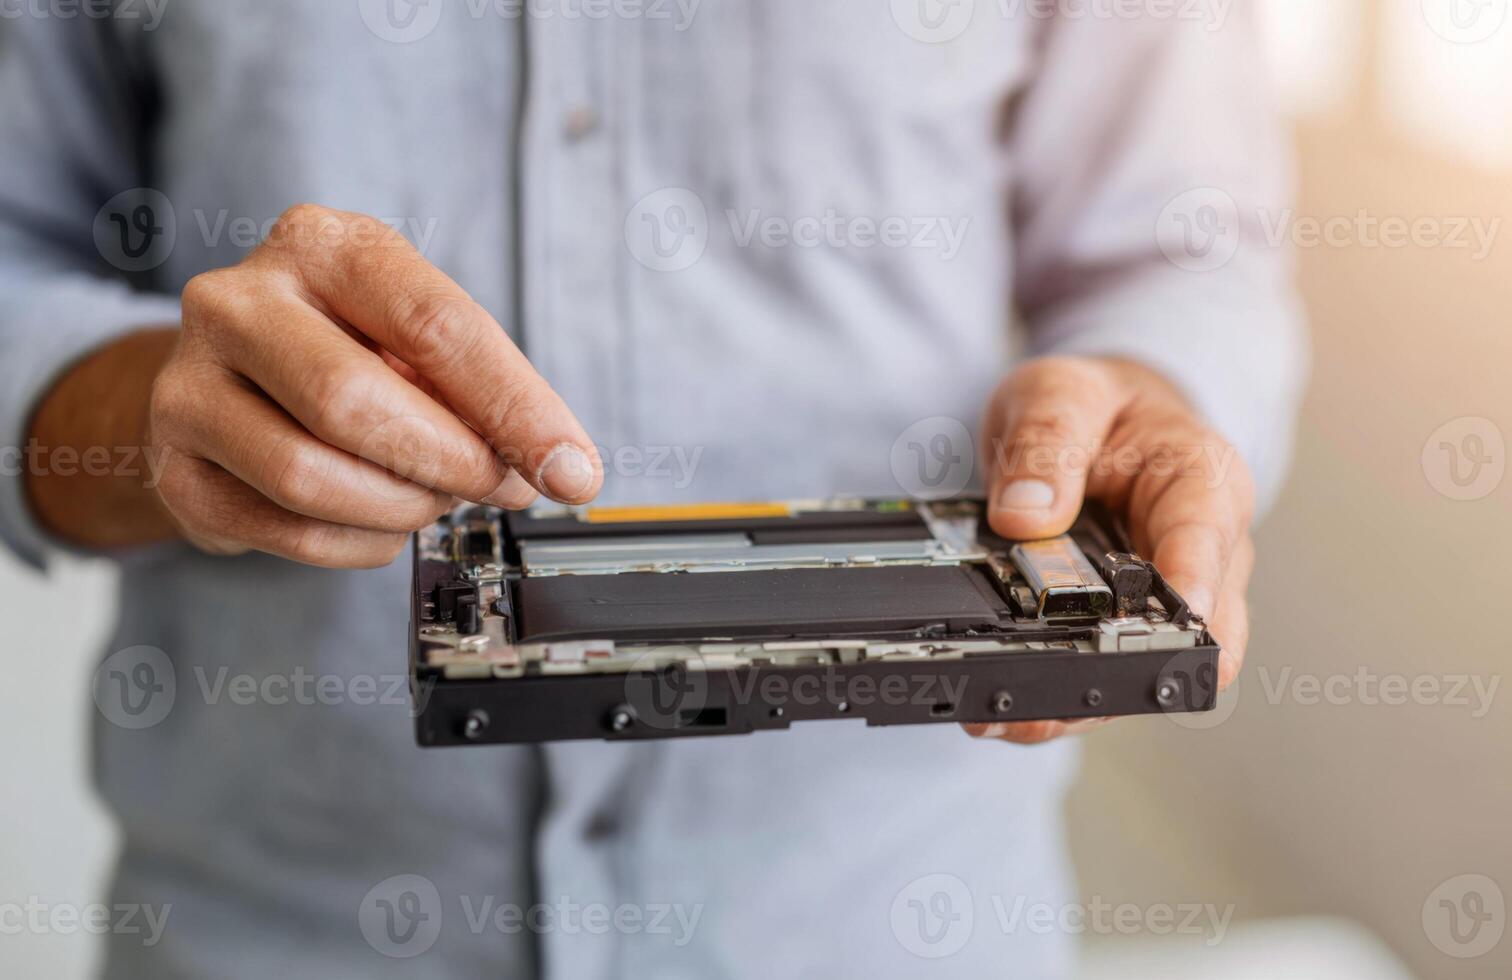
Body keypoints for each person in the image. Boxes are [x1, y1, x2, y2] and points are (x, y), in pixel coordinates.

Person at [0, 3, 1305, 976]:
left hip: (891, 915)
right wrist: (149, 412)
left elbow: (1184, 247)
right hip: (275, 926)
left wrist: (1157, 388)